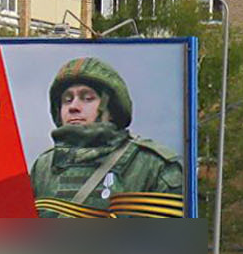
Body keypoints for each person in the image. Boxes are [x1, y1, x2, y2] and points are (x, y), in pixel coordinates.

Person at [29, 57, 187, 219]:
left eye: (87, 98)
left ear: (111, 108)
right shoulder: (43, 168)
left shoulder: (152, 165)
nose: (73, 107)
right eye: (67, 100)